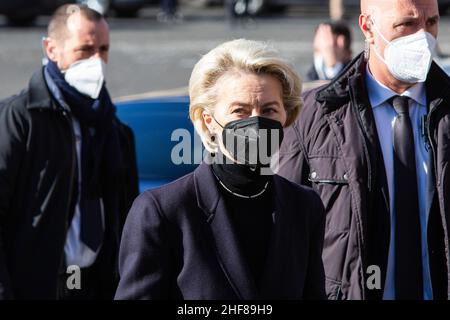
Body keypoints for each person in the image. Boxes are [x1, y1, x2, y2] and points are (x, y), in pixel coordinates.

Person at [115, 39, 326, 300]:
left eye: (269, 110)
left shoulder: (304, 207)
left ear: (287, 116)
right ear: (209, 121)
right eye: (240, 111)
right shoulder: (164, 211)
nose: (256, 122)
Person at [278, 0, 449, 300]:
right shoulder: (312, 116)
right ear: (368, 27)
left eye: (431, 23)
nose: (423, 36)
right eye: (406, 25)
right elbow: (284, 232)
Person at [0, 4, 138, 299]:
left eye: (103, 49)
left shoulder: (114, 130)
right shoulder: (20, 119)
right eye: (85, 50)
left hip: (94, 285)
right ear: (52, 50)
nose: (97, 61)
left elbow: (128, 219)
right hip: (34, 286)